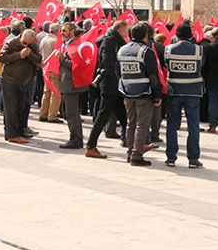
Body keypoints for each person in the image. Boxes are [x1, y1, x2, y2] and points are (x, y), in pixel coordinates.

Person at [117, 22, 162, 167]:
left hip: (127, 92)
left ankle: (130, 153)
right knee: (142, 125)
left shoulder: (122, 50)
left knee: (130, 123)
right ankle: (137, 155)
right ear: (146, 35)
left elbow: (118, 71)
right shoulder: (145, 51)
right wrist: (157, 95)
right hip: (143, 92)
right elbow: (153, 75)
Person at [85, 20, 129, 159]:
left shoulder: (112, 40)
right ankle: (90, 146)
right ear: (121, 30)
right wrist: (116, 78)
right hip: (110, 85)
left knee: (123, 116)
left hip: (114, 85)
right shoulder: (109, 41)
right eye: (126, 31)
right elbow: (107, 62)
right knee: (103, 115)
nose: (127, 34)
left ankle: (134, 144)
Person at [163, 23, 204, 168]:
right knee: (193, 125)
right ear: (191, 35)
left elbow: (166, 65)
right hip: (193, 91)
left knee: (172, 125)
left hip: (174, 91)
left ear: (177, 36)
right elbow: (201, 66)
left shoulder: (168, 49)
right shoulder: (199, 50)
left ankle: (171, 157)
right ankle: (193, 158)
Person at [0, 29, 42, 144]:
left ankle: (13, 132)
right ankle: (13, 135)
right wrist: (19, 55)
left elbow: (39, 60)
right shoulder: (11, 43)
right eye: (25, 43)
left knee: (20, 107)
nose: (27, 45)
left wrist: (30, 54)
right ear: (21, 36)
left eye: (29, 43)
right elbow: (2, 58)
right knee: (11, 108)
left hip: (24, 81)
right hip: (9, 79)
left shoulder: (33, 46)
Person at [58, 23, 88, 149]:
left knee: (72, 113)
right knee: (70, 113)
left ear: (72, 31)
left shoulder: (75, 45)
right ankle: (76, 138)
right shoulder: (68, 43)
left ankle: (75, 139)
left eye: (65, 30)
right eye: (61, 30)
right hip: (68, 83)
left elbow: (75, 65)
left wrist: (61, 58)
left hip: (72, 84)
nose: (62, 33)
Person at [38, 23, 62, 123]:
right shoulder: (56, 41)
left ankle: (43, 113)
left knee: (46, 92)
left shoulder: (44, 39)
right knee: (55, 93)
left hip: (46, 68)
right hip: (55, 68)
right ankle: (52, 115)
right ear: (57, 31)